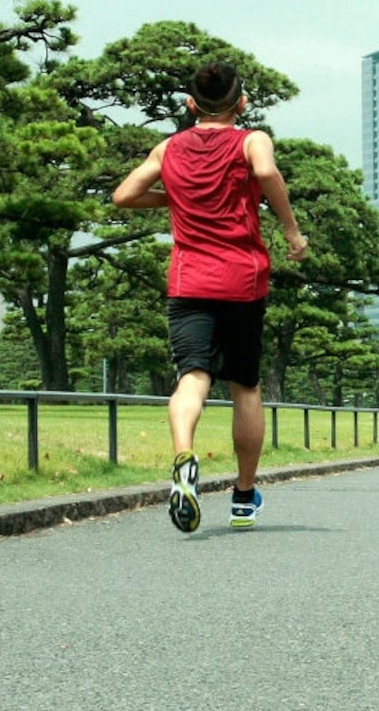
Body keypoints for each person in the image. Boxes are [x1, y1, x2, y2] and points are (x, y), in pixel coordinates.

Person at [112, 61, 308, 533]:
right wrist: (290, 228)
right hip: (242, 280)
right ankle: (243, 498)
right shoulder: (251, 140)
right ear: (241, 104)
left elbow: (123, 196)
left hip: (189, 280)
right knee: (245, 386)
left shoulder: (168, 147)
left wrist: (175, 198)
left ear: (191, 104)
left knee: (192, 376)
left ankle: (184, 456)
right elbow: (265, 170)